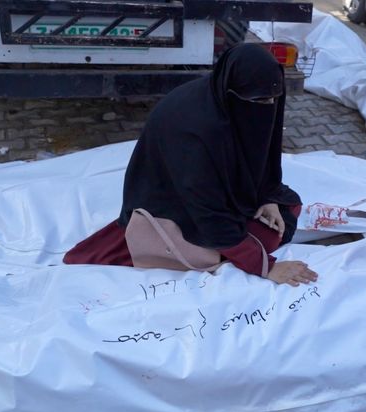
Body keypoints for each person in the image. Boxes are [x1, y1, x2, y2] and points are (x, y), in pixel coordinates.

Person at [64, 43, 318, 287]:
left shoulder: (221, 99)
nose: (269, 109)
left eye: (274, 99)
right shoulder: (193, 130)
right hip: (175, 207)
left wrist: (266, 197)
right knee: (265, 238)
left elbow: (259, 157)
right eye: (260, 101)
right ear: (232, 92)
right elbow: (205, 209)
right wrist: (267, 267)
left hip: (216, 195)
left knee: (286, 207)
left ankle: (238, 238)